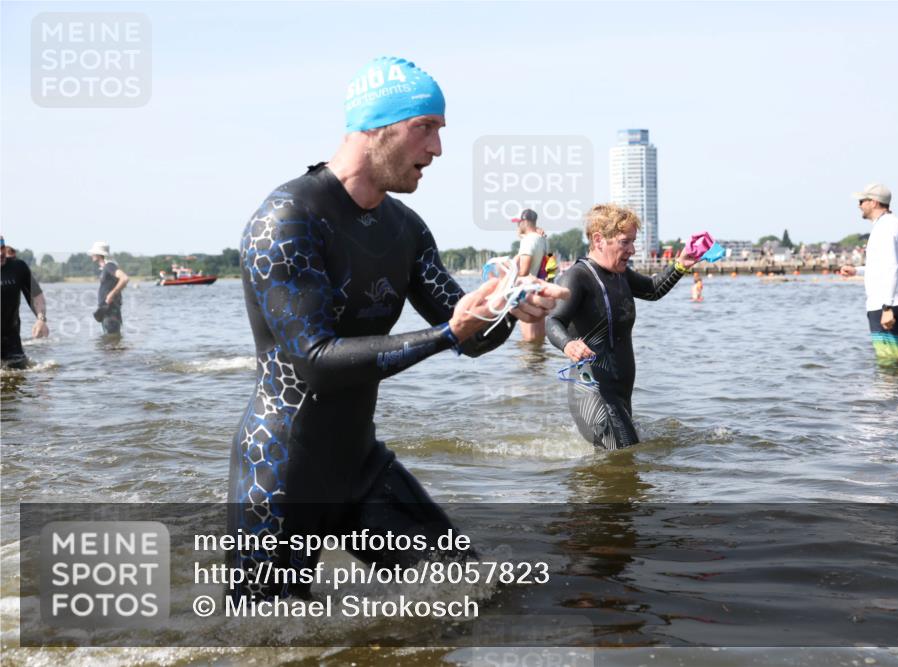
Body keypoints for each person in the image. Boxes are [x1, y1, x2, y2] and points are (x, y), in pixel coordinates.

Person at [228, 56, 567, 600]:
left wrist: (511, 303)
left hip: (360, 466)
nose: (436, 149)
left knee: (475, 593)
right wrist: (446, 336)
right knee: (264, 643)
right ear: (376, 128)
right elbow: (314, 360)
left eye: (439, 131)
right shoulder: (288, 219)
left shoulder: (404, 229)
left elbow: (471, 334)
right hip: (281, 473)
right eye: (425, 129)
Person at [546, 204, 696, 450]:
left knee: (622, 469)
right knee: (627, 458)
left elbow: (653, 289)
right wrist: (568, 344)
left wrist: (679, 265)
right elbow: (553, 320)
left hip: (620, 394)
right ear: (599, 240)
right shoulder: (578, 277)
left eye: (633, 242)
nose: (632, 250)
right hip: (594, 392)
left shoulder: (620, 274)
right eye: (625, 242)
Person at [838, 183, 898, 362]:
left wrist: (887, 307)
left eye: (862, 200)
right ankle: (897, 390)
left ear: (874, 202)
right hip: (894, 303)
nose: (859, 205)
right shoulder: (894, 224)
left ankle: (891, 391)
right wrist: (857, 270)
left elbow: (892, 267)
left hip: (885, 305)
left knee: (889, 362)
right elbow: (884, 266)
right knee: (893, 362)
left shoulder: (885, 228)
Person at [1, 236, 48, 369]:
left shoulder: (18, 267)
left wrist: (41, 319)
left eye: (2, 248)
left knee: (19, 379)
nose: (0, 253)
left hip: (11, 339)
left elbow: (36, 294)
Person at [512, 208, 549, 342]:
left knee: (529, 340)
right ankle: (539, 362)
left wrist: (512, 277)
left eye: (518, 223)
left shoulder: (528, 241)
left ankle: (530, 363)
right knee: (539, 338)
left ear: (525, 222)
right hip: (541, 289)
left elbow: (525, 270)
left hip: (528, 292)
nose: (517, 226)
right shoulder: (543, 239)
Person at [89, 241, 129, 335]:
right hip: (107, 311)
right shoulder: (106, 268)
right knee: (110, 343)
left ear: (99, 254)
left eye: (93, 252)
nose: (91, 254)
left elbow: (124, 278)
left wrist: (112, 293)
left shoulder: (109, 266)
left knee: (111, 343)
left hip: (111, 312)